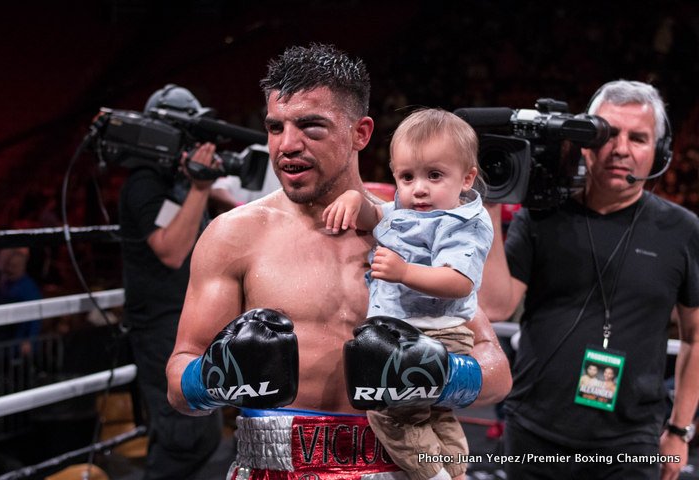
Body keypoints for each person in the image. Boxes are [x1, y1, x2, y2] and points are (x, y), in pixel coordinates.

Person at [166, 43, 511, 480]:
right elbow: (179, 382)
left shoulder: (414, 229)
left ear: (360, 133)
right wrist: (216, 375)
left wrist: (438, 375)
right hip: (273, 466)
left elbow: (496, 371)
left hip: (399, 461)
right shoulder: (234, 236)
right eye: (275, 127)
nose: (287, 145)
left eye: (311, 126)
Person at [479, 80, 699, 480]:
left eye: (638, 138)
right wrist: (493, 206)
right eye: (609, 133)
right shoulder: (541, 215)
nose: (620, 148)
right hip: (534, 430)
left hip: (632, 440)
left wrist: (680, 430)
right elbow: (496, 306)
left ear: (660, 152)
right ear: (585, 141)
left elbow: (695, 338)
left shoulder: (682, 231)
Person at [321, 107, 492, 479]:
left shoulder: (463, 221)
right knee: (433, 414)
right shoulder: (408, 208)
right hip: (414, 332)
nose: (419, 189)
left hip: (434, 332)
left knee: (389, 412)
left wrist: (403, 272)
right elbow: (377, 217)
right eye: (407, 177)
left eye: (434, 175)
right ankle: (456, 470)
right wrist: (355, 201)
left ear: (467, 178)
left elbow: (459, 280)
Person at [119, 85, 222, 480]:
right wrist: (200, 188)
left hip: (186, 317)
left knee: (200, 426)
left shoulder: (172, 178)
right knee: (183, 435)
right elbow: (172, 250)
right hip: (161, 323)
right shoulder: (145, 181)